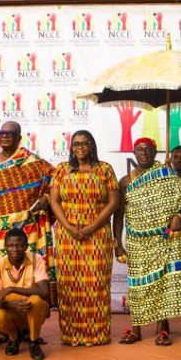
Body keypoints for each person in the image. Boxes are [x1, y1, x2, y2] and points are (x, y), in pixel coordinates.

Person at [113, 137, 181, 346]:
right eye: (139, 149)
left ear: (155, 153)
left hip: (163, 240)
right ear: (134, 153)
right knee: (137, 286)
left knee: (162, 284)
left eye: (148, 149)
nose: (144, 153)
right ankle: (135, 329)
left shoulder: (167, 174)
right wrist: (118, 244)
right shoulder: (126, 181)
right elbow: (118, 215)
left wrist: (179, 215)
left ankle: (162, 328)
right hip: (137, 242)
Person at [0, 121, 54, 315]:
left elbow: (56, 178)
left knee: (28, 273)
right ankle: (3, 322)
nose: (5, 136)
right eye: (1, 133)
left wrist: (46, 198)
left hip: (28, 228)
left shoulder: (33, 161)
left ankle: (27, 321)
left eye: (10, 133)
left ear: (19, 138)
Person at [49, 130, 120, 347]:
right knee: (69, 285)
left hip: (97, 234)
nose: (80, 147)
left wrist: (91, 227)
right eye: (76, 144)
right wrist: (68, 227)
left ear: (92, 146)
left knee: (96, 284)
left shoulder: (105, 169)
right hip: (67, 235)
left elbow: (113, 202)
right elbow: (54, 201)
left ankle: (97, 334)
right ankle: (72, 335)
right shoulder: (62, 170)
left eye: (84, 143)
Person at [0, 228, 50, 360]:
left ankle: (34, 341)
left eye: (19, 245)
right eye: (11, 245)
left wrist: (11, 289)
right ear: (5, 246)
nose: (15, 249)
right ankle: (14, 338)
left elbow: (44, 291)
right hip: (11, 310)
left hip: (31, 310)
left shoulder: (36, 259)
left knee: (36, 300)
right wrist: (11, 305)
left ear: (26, 246)